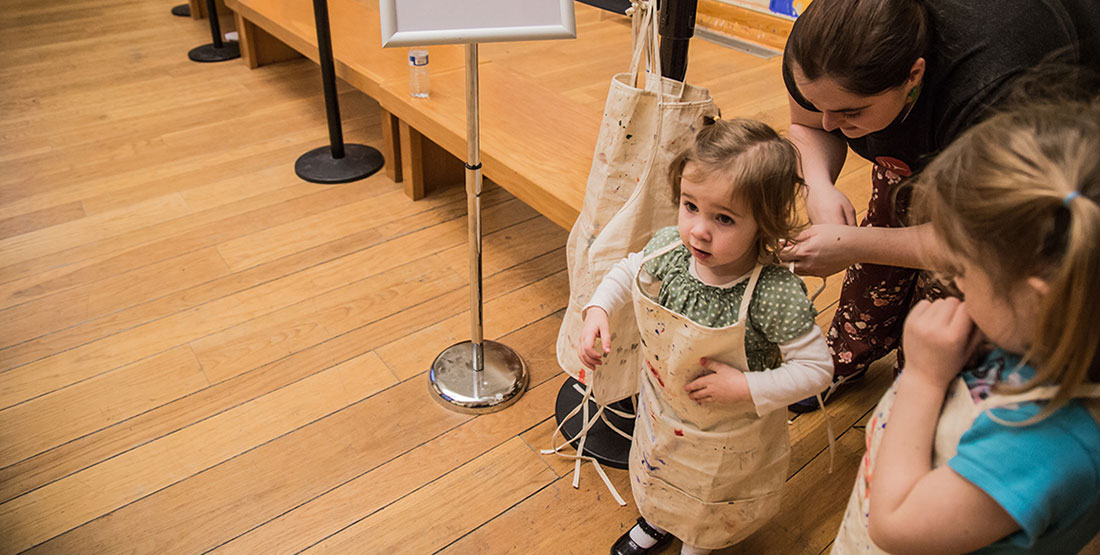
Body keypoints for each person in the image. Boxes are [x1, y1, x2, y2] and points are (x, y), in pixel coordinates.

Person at [777, 0, 1100, 411]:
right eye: (818, 104)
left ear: (914, 75)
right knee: (885, 232)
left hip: (1015, 133)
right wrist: (818, 186)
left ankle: (918, 391)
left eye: (849, 112)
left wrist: (855, 244)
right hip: (952, 116)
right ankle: (847, 352)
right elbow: (807, 125)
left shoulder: (995, 87)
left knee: (954, 292)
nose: (828, 123)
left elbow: (979, 242)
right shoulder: (819, 49)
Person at [832, 101, 1100, 553]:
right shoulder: (1033, 335)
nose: (953, 283)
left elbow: (895, 526)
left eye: (963, 269)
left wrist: (923, 377)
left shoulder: (1046, 443)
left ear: (1038, 298)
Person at [577, 117, 833, 555]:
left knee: (710, 502)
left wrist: (746, 387)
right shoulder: (669, 250)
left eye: (724, 218)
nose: (698, 229)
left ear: (765, 223)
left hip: (731, 435)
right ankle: (657, 520)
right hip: (662, 410)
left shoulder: (772, 293)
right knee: (659, 471)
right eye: (690, 206)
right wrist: (597, 309)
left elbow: (817, 370)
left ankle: (699, 542)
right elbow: (627, 270)